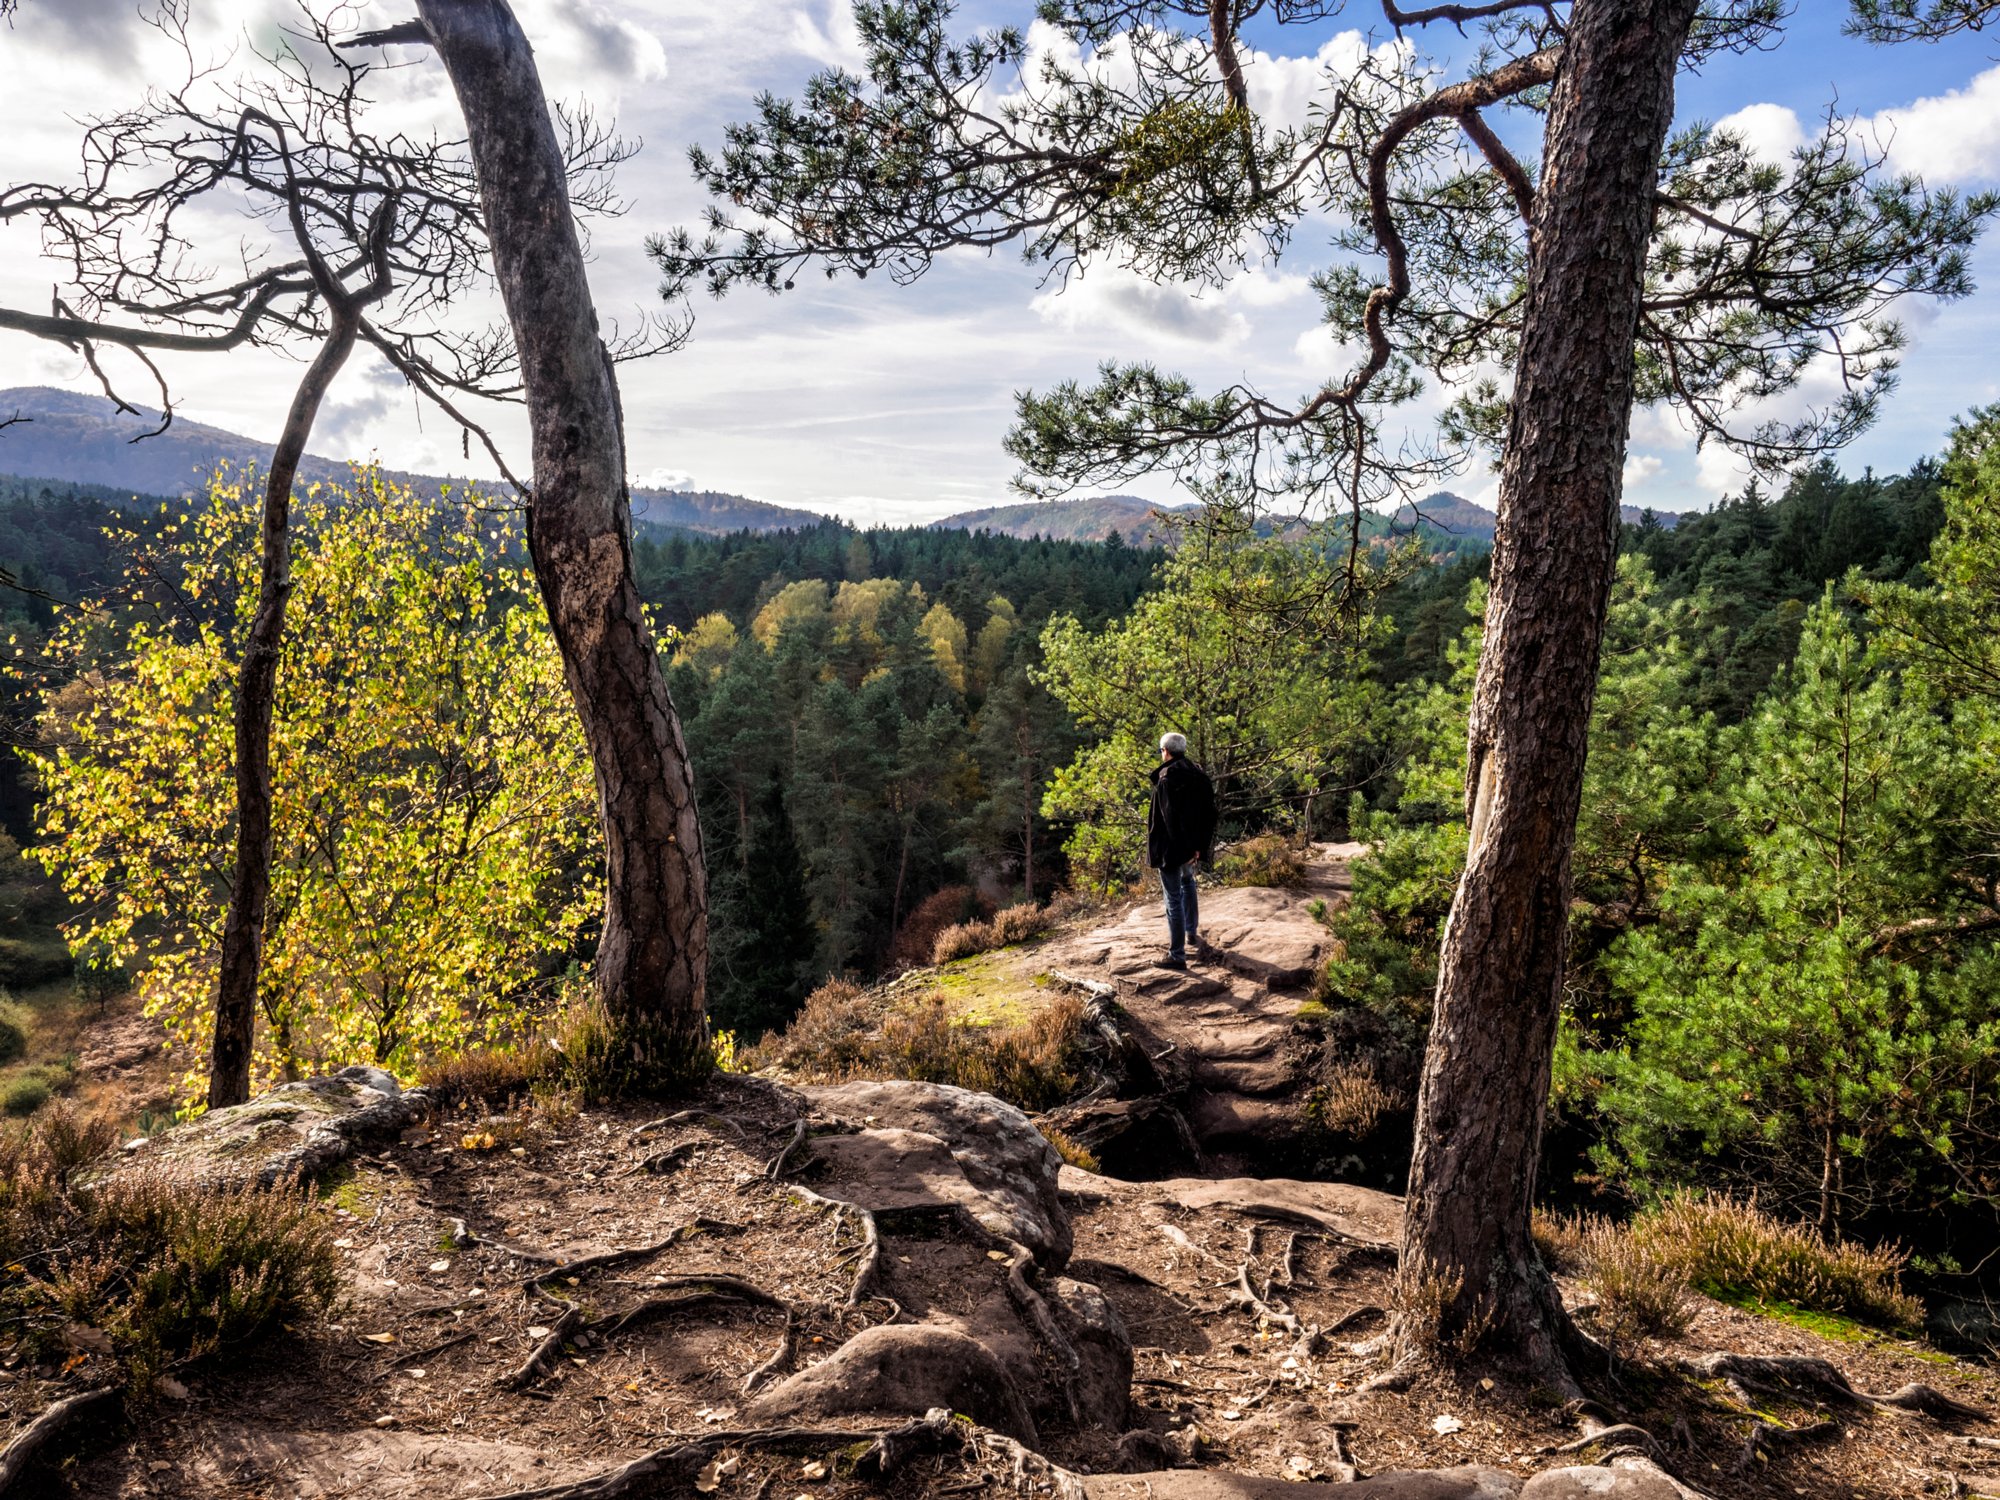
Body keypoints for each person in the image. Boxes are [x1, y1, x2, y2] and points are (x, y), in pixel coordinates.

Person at [1146, 731, 1217, 970]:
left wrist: (1186, 848)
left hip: (1171, 848)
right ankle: (1190, 933)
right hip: (1191, 846)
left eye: (1161, 751)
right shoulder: (1198, 774)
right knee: (1188, 884)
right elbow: (1209, 813)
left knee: (1172, 898)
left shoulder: (1167, 778)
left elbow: (1169, 819)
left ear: (1166, 751)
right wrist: (1198, 846)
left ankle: (1177, 956)